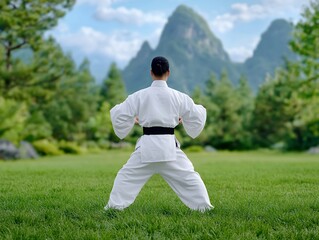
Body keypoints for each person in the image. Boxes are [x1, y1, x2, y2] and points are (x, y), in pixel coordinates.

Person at [104, 56, 213, 212]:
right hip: (169, 146)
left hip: (146, 146)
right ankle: (204, 208)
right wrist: (180, 120)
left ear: (151, 72)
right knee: (189, 177)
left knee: (126, 177)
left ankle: (114, 207)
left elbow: (118, 114)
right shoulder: (179, 96)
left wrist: (133, 120)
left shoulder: (138, 96)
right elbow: (197, 114)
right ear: (168, 72)